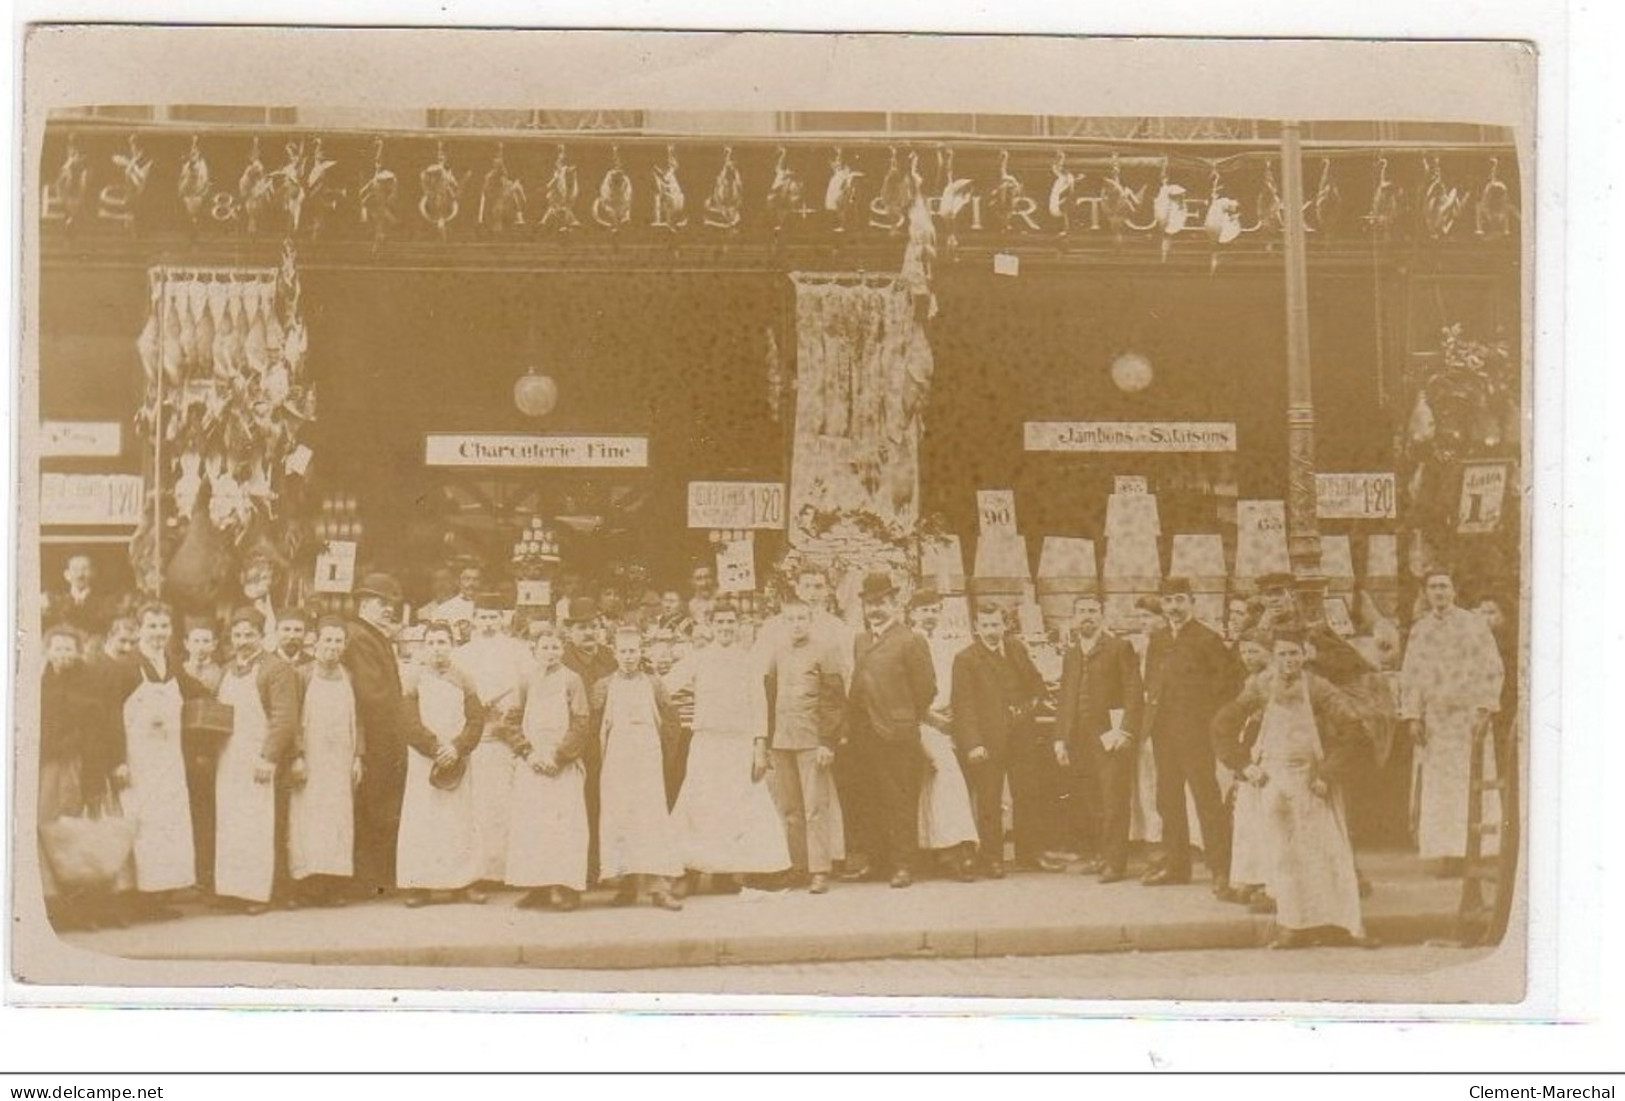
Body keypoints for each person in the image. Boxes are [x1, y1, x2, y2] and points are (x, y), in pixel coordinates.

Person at [1211, 629, 1373, 948]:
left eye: (1294, 653)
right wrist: (1244, 765)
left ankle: (1341, 925)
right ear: (1272, 657)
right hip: (1273, 779)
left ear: (1305, 655)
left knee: (1328, 854)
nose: (1289, 661)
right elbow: (1223, 723)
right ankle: (1292, 926)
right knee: (1282, 855)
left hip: (1313, 782)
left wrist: (1327, 773)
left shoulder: (1318, 688)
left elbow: (1355, 731)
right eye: (1282, 654)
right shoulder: (1259, 686)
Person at [666, 598, 790, 894]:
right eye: (719, 622)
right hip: (707, 743)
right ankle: (690, 871)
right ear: (710, 625)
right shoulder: (698, 658)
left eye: (730, 623)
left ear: (738, 626)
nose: (725, 628)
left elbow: (759, 707)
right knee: (699, 804)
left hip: (739, 744)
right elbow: (666, 686)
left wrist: (760, 746)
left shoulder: (749, 661)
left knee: (741, 806)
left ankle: (730, 872)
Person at [1398, 566, 1505, 873]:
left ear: (1454, 590)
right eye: (1433, 587)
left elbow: (1491, 667)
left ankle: (1475, 851)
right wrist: (1413, 716)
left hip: (1468, 718)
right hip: (1437, 721)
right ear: (1426, 593)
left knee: (1470, 780)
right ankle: (1446, 851)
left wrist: (1485, 708)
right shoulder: (1421, 630)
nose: (1439, 593)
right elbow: (1412, 675)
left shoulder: (1473, 626)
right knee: (1441, 786)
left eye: (1444, 586)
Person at [108, 602, 210, 920]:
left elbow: (199, 692)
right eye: (152, 626)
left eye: (164, 626)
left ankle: (160, 896)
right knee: (142, 826)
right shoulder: (125, 667)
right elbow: (110, 716)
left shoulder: (173, 664)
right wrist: (117, 761)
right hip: (136, 764)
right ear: (139, 629)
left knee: (168, 826)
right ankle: (139, 900)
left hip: (168, 761)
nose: (158, 633)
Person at [1141, 577, 1239, 895]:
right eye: (1168, 601)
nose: (1174, 607)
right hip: (1164, 733)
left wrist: (1209, 726)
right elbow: (1152, 683)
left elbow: (1224, 688)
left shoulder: (1207, 640)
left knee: (1206, 800)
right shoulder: (1157, 639)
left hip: (1196, 734)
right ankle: (1176, 864)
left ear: (1192, 602)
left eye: (1180, 600)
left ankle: (1220, 869)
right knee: (1167, 800)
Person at [848, 572, 936, 888]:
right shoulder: (860, 640)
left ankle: (903, 865)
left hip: (897, 734)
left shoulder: (910, 640)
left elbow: (926, 689)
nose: (875, 610)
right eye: (870, 604)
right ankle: (877, 862)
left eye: (881, 603)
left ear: (894, 603)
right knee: (870, 799)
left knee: (899, 800)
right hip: (865, 734)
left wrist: (902, 716)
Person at [210, 608, 301, 913]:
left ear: (262, 636)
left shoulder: (275, 670)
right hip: (228, 759)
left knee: (258, 826)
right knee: (231, 825)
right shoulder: (226, 670)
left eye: (250, 635)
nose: (243, 641)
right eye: (237, 635)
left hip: (258, 761)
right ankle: (231, 890)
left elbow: (285, 719)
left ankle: (258, 894)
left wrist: (269, 756)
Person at [1052, 593, 1146, 884]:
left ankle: (1115, 863)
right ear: (1073, 617)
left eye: (1093, 611)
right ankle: (1099, 855)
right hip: (1079, 738)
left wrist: (1126, 730)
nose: (1087, 616)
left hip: (1110, 736)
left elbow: (1133, 692)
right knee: (1090, 798)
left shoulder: (1119, 648)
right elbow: (1066, 697)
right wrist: (1060, 738)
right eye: (1082, 611)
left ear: (1102, 615)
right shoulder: (1071, 653)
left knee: (1113, 799)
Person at [591, 627, 685, 910]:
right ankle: (628, 885)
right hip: (617, 760)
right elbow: (595, 726)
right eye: (623, 651)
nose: (629, 657)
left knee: (651, 819)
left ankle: (659, 888)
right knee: (620, 819)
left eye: (633, 651)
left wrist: (665, 758)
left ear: (641, 651)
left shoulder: (654, 683)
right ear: (615, 653)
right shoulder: (603, 686)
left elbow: (671, 721)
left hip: (647, 759)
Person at [951, 601, 1046, 879]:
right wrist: (973, 743)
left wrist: (1028, 708)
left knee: (1026, 793)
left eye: (996, 625)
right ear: (976, 628)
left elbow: (1036, 684)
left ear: (1005, 625)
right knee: (990, 800)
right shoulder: (966, 659)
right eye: (986, 625)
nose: (992, 631)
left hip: (1021, 736)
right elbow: (963, 705)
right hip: (988, 741)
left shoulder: (1016, 649)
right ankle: (992, 859)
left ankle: (1028, 854)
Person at [397, 622, 486, 906]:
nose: (437, 648)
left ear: (453, 645)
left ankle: (464, 882)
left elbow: (475, 719)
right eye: (432, 643)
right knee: (422, 819)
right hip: (425, 759)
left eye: (442, 642)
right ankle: (418, 885)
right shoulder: (413, 677)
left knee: (459, 820)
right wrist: (434, 748)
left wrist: (457, 748)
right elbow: (408, 721)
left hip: (457, 758)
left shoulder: (465, 678)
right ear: (424, 647)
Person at [506, 625, 592, 911]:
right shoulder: (525, 680)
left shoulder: (573, 680)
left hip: (561, 767)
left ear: (563, 650)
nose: (550, 653)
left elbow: (581, 722)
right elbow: (511, 720)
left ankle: (564, 887)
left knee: (564, 827)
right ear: (534, 649)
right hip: (533, 766)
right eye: (545, 647)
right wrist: (528, 754)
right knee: (533, 827)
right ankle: (537, 887)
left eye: (555, 647)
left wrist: (560, 756)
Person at [343, 572, 419, 897]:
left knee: (378, 805)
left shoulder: (371, 634)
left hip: (381, 736)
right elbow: (372, 694)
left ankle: (374, 877)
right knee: (374, 806)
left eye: (390, 604)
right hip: (375, 737)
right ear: (363, 603)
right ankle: (370, 879)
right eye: (380, 602)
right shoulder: (361, 636)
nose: (388, 609)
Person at [764, 598, 846, 894]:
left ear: (810, 620)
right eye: (790, 619)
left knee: (815, 808)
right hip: (782, 741)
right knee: (790, 809)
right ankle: (797, 868)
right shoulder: (778, 652)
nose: (796, 624)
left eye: (801, 618)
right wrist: (768, 740)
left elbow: (834, 699)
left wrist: (828, 741)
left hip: (812, 740)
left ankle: (819, 870)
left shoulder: (825, 651)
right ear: (783, 621)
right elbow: (770, 695)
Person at [453, 593, 534, 888]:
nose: (488, 623)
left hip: (506, 735)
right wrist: (477, 709)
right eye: (483, 617)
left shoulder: (518, 650)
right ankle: (481, 872)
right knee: (479, 804)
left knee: (505, 802)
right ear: (474, 620)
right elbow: (456, 691)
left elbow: (528, 686)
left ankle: (505, 871)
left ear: (503, 619)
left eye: (493, 617)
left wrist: (512, 712)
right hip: (477, 734)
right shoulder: (462, 654)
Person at [38, 625, 115, 930]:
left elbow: (98, 730)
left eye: (69, 649)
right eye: (58, 648)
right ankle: (52, 908)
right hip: (47, 768)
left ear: (79, 651)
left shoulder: (89, 683)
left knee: (76, 838)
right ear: (48, 651)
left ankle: (83, 911)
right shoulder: (39, 682)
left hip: (80, 768)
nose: (63, 655)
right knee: (45, 833)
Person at [287, 617, 364, 907]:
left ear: (344, 646)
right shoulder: (302, 674)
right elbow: (293, 718)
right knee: (306, 820)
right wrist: (297, 756)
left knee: (337, 820)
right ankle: (306, 887)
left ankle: (334, 887)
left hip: (340, 760)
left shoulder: (350, 676)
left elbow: (360, 719)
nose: (332, 646)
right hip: (311, 760)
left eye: (338, 641)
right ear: (315, 642)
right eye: (327, 640)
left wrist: (358, 756)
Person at [909, 590, 980, 881]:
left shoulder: (945, 644)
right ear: (912, 612)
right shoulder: (908, 642)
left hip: (947, 721)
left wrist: (952, 716)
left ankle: (933, 847)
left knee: (935, 783)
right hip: (919, 722)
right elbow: (905, 689)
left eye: (935, 609)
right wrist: (930, 716)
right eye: (924, 610)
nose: (929, 615)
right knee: (948, 774)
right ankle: (954, 850)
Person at [562, 597, 617, 883]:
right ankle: (579, 871)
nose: (588, 633)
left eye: (593, 626)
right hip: (577, 748)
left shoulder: (608, 657)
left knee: (603, 805)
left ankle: (600, 868)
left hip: (606, 746)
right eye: (582, 627)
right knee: (577, 809)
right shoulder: (563, 661)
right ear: (570, 632)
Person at [1223, 628, 1276, 908]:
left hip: (1273, 747)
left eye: (1254, 651)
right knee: (1248, 820)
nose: (1247, 657)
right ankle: (1249, 878)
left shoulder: (1273, 680)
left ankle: (1269, 884)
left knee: (1266, 821)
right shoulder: (1252, 681)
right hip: (1253, 745)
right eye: (1243, 651)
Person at [44, 553, 115, 640]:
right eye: (75, 569)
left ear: (93, 573)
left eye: (85, 569)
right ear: (67, 575)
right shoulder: (56, 602)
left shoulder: (105, 602)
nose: (80, 574)